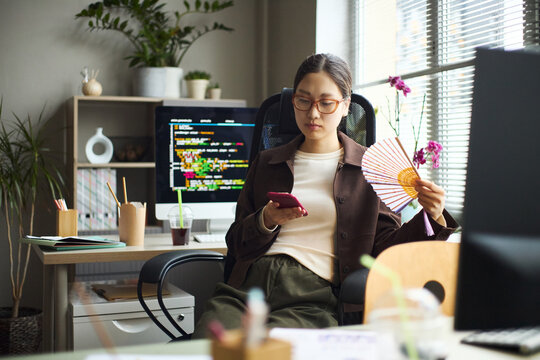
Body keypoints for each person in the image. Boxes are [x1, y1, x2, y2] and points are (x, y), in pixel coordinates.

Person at [192, 53, 458, 338]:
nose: (313, 113)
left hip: (309, 297)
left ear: (345, 106)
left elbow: (385, 253)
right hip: (245, 290)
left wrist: (433, 217)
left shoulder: (372, 170)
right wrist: (265, 220)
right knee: (209, 349)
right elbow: (235, 244)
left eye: (326, 103)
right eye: (303, 101)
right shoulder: (267, 162)